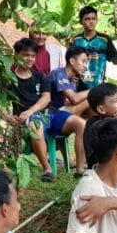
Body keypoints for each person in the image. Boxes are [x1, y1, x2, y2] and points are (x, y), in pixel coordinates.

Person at [8, 37, 54, 182]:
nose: (30, 59)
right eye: (25, 55)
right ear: (16, 55)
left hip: (40, 116)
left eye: (33, 56)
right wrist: (7, 116)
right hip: (17, 120)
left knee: (35, 124)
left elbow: (46, 98)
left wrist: (30, 111)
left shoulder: (40, 76)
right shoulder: (8, 78)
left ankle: (47, 169)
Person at [47, 45, 91, 174]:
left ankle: (88, 160)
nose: (85, 66)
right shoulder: (59, 73)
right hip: (49, 116)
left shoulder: (73, 80)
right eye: (83, 61)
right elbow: (75, 99)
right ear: (72, 61)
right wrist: (93, 91)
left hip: (60, 113)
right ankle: (80, 167)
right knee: (90, 102)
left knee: (93, 115)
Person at [70, 6, 117, 88]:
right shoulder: (76, 40)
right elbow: (70, 62)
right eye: (87, 19)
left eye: (93, 19)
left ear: (97, 20)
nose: (91, 22)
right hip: (78, 86)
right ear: (81, 22)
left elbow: (115, 60)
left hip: (98, 86)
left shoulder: (104, 39)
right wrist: (71, 74)